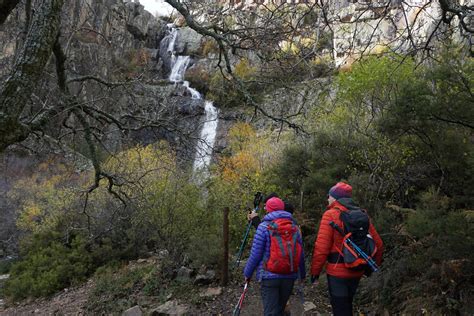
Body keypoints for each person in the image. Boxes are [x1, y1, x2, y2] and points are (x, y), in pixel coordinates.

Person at [310, 182, 383, 316]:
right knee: (348, 304)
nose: (327, 199)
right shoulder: (362, 214)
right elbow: (378, 243)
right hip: (357, 269)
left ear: (335, 198)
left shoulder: (330, 215)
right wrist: (370, 267)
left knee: (340, 308)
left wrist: (315, 273)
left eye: (329, 196)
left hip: (337, 271)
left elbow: (321, 248)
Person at [244, 197, 306, 316]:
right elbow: (300, 254)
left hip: (268, 276)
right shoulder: (294, 228)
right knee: (279, 310)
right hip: (289, 275)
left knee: (271, 312)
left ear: (268, 210)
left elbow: (255, 254)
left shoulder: (263, 227)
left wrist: (247, 273)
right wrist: (302, 275)